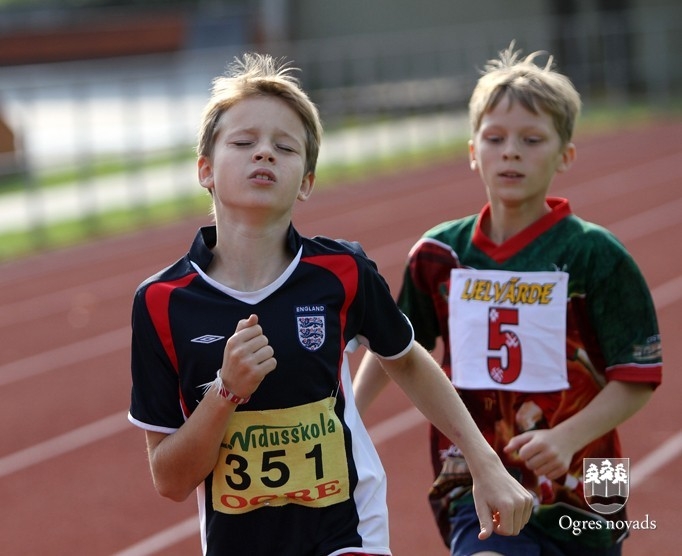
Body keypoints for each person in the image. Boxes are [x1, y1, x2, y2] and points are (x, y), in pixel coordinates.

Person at [127, 52, 532, 556]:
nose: (264, 154)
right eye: (244, 142)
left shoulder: (341, 272)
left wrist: (484, 462)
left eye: (285, 147)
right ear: (205, 170)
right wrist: (225, 393)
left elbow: (405, 357)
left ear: (308, 182)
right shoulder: (162, 302)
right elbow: (169, 479)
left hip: (347, 533)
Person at [353, 42, 662, 556]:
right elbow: (396, 347)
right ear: (473, 151)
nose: (510, 151)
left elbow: (638, 377)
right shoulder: (438, 254)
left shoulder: (596, 255)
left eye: (531, 139)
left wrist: (566, 439)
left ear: (565, 155)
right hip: (476, 469)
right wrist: (349, 418)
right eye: (494, 138)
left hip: (591, 478)